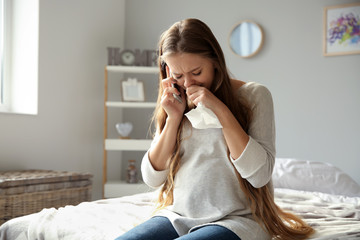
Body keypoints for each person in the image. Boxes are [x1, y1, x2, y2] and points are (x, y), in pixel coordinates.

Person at [115, 18, 314, 240]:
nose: (188, 83)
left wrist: (221, 111)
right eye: (178, 76)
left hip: (237, 221)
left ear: (215, 62)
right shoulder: (174, 100)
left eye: (197, 72)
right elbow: (152, 178)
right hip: (178, 216)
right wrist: (173, 119)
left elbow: (259, 176)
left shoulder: (255, 95)